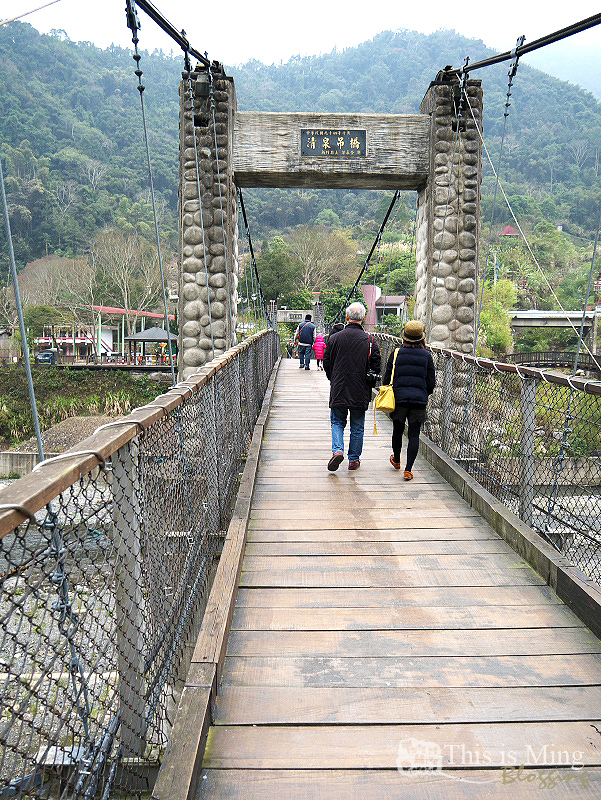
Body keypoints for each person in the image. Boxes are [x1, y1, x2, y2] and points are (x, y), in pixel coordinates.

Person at [323, 302, 380, 471]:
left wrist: (333, 378)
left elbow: (326, 362)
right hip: (360, 388)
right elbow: (376, 366)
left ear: (347, 317)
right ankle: (354, 460)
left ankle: (337, 450)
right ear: (363, 318)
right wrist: (369, 384)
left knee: (337, 421)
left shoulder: (334, 338)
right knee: (357, 426)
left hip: (339, 386)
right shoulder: (370, 341)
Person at [382, 319, 435, 481]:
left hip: (399, 399)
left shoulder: (396, 353)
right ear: (421, 338)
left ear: (404, 336)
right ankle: (408, 470)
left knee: (397, 431)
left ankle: (397, 460)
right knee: (414, 434)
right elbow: (431, 383)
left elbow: (386, 378)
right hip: (418, 400)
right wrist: (424, 393)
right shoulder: (427, 356)